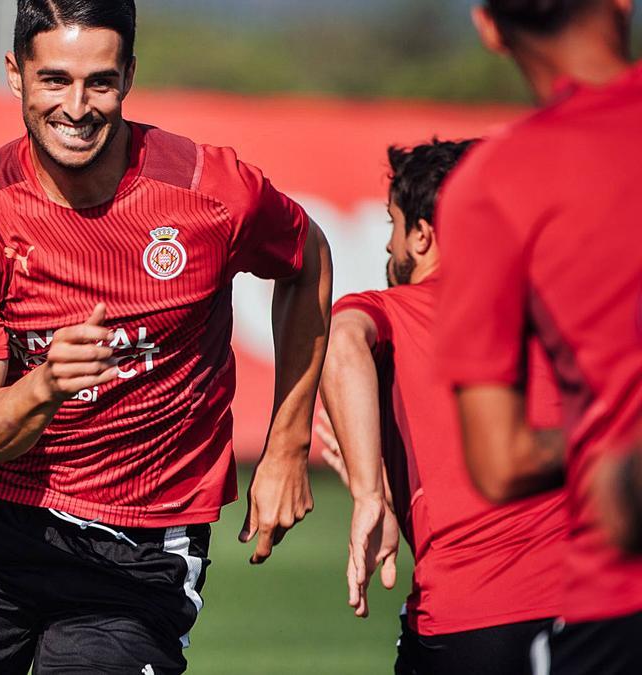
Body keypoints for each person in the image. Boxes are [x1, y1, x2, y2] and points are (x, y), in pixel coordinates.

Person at [0, 1, 333, 672]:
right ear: (16, 75)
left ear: (129, 77)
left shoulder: (211, 192)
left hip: (140, 548)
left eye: (100, 81)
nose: (77, 106)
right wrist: (46, 385)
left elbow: (308, 259)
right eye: (55, 79)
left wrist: (287, 445)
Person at [434, 1, 642, 672]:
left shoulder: (489, 187)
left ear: (489, 28)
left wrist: (612, 441)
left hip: (618, 598)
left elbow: (500, 459)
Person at [318, 139, 567, 675]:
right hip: (602, 611)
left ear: (423, 234)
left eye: (393, 224)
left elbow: (341, 342)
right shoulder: (564, 308)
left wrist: (367, 494)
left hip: (476, 620)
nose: (389, 246)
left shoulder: (393, 308)